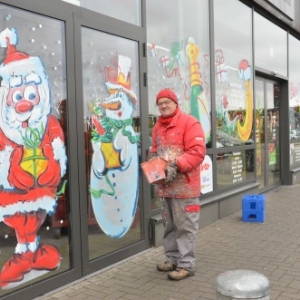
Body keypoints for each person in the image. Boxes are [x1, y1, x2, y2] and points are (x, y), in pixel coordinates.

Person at [147, 88, 206, 281]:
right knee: (169, 226)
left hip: (186, 188)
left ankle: (187, 265)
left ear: (175, 103)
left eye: (167, 102)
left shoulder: (190, 123)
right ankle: (172, 259)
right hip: (166, 188)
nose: (163, 105)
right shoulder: (157, 127)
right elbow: (155, 149)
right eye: (160, 103)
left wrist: (176, 165)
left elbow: (197, 152)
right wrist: (153, 160)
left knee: (186, 226)